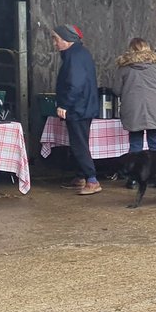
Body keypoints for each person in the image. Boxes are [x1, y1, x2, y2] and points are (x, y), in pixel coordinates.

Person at [52, 24, 101, 195]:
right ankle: (81, 176)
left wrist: (65, 104)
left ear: (67, 40)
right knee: (79, 142)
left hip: (78, 107)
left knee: (79, 144)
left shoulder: (75, 56)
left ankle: (92, 180)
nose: (54, 43)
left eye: (56, 39)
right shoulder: (79, 53)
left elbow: (75, 83)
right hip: (83, 106)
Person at [116, 38, 156, 156]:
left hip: (133, 110)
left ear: (130, 50)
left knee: (135, 145)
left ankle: (135, 172)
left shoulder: (124, 68)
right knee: (155, 145)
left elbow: (116, 90)